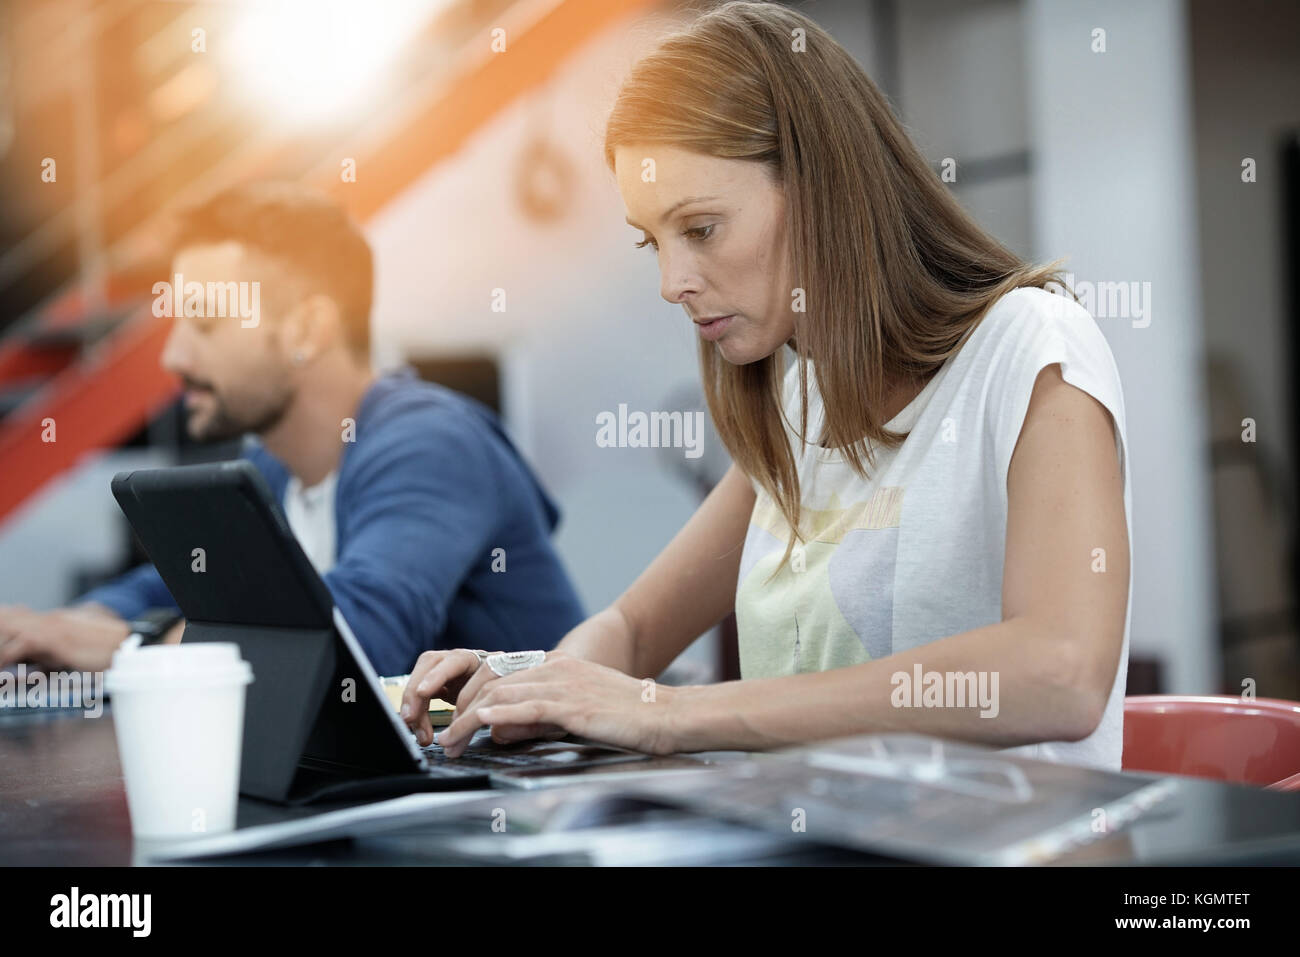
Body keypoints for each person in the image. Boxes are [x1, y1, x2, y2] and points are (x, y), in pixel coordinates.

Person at [402, 2, 1132, 771]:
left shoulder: (1033, 348)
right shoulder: (800, 400)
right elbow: (633, 630)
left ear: (820, 187)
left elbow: (1061, 671)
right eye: (653, 241)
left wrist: (670, 712)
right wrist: (528, 686)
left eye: (702, 228)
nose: (671, 283)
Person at [0, 182, 585, 677]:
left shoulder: (431, 444)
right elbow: (170, 584)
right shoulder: (277, 470)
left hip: (541, 800)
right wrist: (65, 628)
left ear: (307, 328)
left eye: (204, 321)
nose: (174, 357)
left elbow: (353, 642)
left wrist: (133, 650)